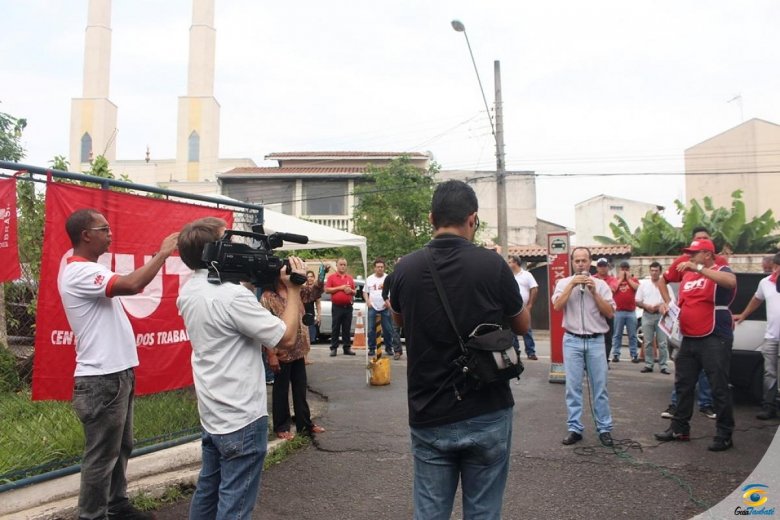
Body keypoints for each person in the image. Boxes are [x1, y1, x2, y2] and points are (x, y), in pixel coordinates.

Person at [390, 180, 530, 519]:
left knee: (430, 512)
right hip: (487, 407)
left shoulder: (405, 268)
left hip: (428, 409)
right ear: (472, 219)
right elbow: (523, 325)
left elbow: (398, 319)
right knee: (484, 511)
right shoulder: (493, 265)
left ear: (431, 218)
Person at [176, 217, 306, 518]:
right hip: (242, 417)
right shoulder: (233, 297)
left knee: (208, 491)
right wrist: (293, 289)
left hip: (213, 412)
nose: (239, 247)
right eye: (232, 242)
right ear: (216, 251)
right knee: (234, 504)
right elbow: (286, 339)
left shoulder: (190, 290)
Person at [60, 208, 178, 520]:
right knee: (101, 456)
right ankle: (92, 515)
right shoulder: (79, 271)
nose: (110, 235)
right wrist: (163, 254)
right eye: (104, 229)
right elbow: (131, 285)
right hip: (102, 379)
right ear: (86, 235)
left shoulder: (87, 269)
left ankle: (117, 505)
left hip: (116, 374)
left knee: (121, 447)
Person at [654, 238, 737, 452]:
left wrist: (699, 269)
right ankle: (679, 428)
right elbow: (676, 297)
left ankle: (724, 434)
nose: (690, 256)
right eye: (689, 253)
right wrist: (667, 305)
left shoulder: (720, 269)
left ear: (707, 254)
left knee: (718, 386)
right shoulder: (688, 275)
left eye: (694, 253)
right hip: (689, 337)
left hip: (714, 336)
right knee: (683, 385)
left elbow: (730, 282)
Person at [657, 227, 723, 421]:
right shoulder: (683, 263)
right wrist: (669, 304)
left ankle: (706, 404)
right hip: (686, 331)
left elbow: (730, 284)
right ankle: (676, 409)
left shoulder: (720, 264)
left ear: (709, 249)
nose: (701, 242)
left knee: (709, 373)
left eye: (705, 239)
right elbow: (663, 281)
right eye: (697, 239)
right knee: (683, 375)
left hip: (710, 331)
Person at [552, 246, 616, 448]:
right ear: (572, 263)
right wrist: (571, 285)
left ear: (590, 262)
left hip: (596, 340)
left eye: (584, 260)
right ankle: (575, 428)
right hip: (572, 340)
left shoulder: (601, 285)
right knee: (573, 387)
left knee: (600, 387)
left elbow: (610, 312)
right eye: (577, 261)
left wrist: (594, 292)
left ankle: (604, 428)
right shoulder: (563, 283)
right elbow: (557, 306)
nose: (581, 264)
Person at [260, 275, 326, 440]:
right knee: (281, 390)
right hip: (281, 351)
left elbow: (312, 294)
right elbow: (264, 328)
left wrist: (320, 279)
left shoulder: (296, 291)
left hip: (299, 349)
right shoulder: (268, 297)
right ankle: (281, 426)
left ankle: (305, 424)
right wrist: (271, 354)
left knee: (300, 388)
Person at [734, 252, 780, 420]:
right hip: (772, 336)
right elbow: (756, 299)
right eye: (776, 267)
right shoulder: (765, 283)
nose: (776, 271)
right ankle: (769, 406)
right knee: (769, 373)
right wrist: (744, 314)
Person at [635, 261, 672, 374]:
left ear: (660, 272)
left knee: (662, 342)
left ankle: (663, 365)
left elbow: (671, 301)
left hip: (661, 316)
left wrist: (661, 305)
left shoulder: (666, 285)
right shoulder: (643, 285)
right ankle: (649, 364)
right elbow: (637, 301)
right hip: (647, 314)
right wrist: (646, 306)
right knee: (648, 341)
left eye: (656, 271)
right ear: (649, 271)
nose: (654, 273)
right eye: (652, 270)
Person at [365, 258, 399, 359]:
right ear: (374, 268)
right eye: (378, 267)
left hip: (385, 306)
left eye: (381, 267)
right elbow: (365, 292)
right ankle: (372, 348)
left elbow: (393, 292)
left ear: (384, 268)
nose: (380, 268)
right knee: (371, 329)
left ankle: (389, 348)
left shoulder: (388, 278)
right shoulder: (369, 279)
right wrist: (368, 301)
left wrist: (388, 302)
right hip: (373, 306)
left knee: (388, 329)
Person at [508, 254, 539, 360]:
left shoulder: (527, 275)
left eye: (510, 262)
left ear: (516, 263)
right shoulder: (509, 275)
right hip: (512, 307)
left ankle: (531, 352)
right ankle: (516, 352)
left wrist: (530, 304)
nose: (508, 264)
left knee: (527, 329)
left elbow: (534, 289)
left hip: (523, 307)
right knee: (512, 330)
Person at [325, 258, 356, 357]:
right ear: (337, 265)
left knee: (347, 328)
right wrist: (341, 288)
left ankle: (347, 348)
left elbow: (354, 291)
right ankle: (334, 348)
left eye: (344, 265)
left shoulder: (349, 278)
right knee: (336, 327)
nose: (342, 266)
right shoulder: (331, 277)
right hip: (337, 307)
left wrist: (351, 291)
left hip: (348, 307)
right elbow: (327, 290)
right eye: (341, 264)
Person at [611, 260, 640, 363]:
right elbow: (613, 289)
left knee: (632, 335)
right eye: (623, 269)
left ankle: (634, 355)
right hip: (618, 311)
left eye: (626, 269)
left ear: (629, 270)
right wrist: (620, 279)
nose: (624, 271)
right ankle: (616, 354)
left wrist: (628, 279)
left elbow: (637, 288)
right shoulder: (615, 280)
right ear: (620, 270)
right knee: (617, 334)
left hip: (631, 311)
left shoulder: (634, 280)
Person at [592, 257, 617, 361]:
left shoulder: (612, 279)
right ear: (597, 268)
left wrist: (600, 285)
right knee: (594, 337)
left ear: (608, 267)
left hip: (607, 311)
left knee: (608, 338)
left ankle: (605, 360)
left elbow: (612, 290)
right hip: (595, 312)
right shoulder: (592, 278)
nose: (602, 268)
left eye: (604, 266)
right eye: (600, 266)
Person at [301, 268, 327, 363]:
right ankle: (302, 358)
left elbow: (318, 304)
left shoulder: (316, 291)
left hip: (310, 315)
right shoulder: (302, 289)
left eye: (312, 276)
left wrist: (319, 316)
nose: (310, 278)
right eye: (308, 277)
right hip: (301, 316)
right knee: (302, 338)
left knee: (309, 338)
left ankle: (305, 357)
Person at [381, 256, 404, 358]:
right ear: (395, 263)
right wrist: (389, 305)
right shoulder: (390, 277)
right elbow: (384, 294)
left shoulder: (409, 275)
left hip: (407, 308)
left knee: (410, 330)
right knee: (395, 330)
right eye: (398, 262)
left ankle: (412, 351)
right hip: (394, 308)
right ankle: (397, 351)